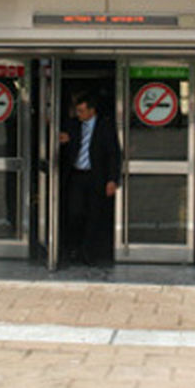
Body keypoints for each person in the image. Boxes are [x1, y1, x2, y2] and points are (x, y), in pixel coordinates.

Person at [58, 94, 121, 266]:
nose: (78, 114)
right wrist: (64, 141)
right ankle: (73, 247)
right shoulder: (73, 125)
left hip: (96, 176)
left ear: (92, 111)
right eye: (77, 110)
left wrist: (112, 179)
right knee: (74, 212)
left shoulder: (105, 126)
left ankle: (88, 252)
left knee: (94, 214)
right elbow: (67, 143)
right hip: (77, 175)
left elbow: (113, 154)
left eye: (82, 111)